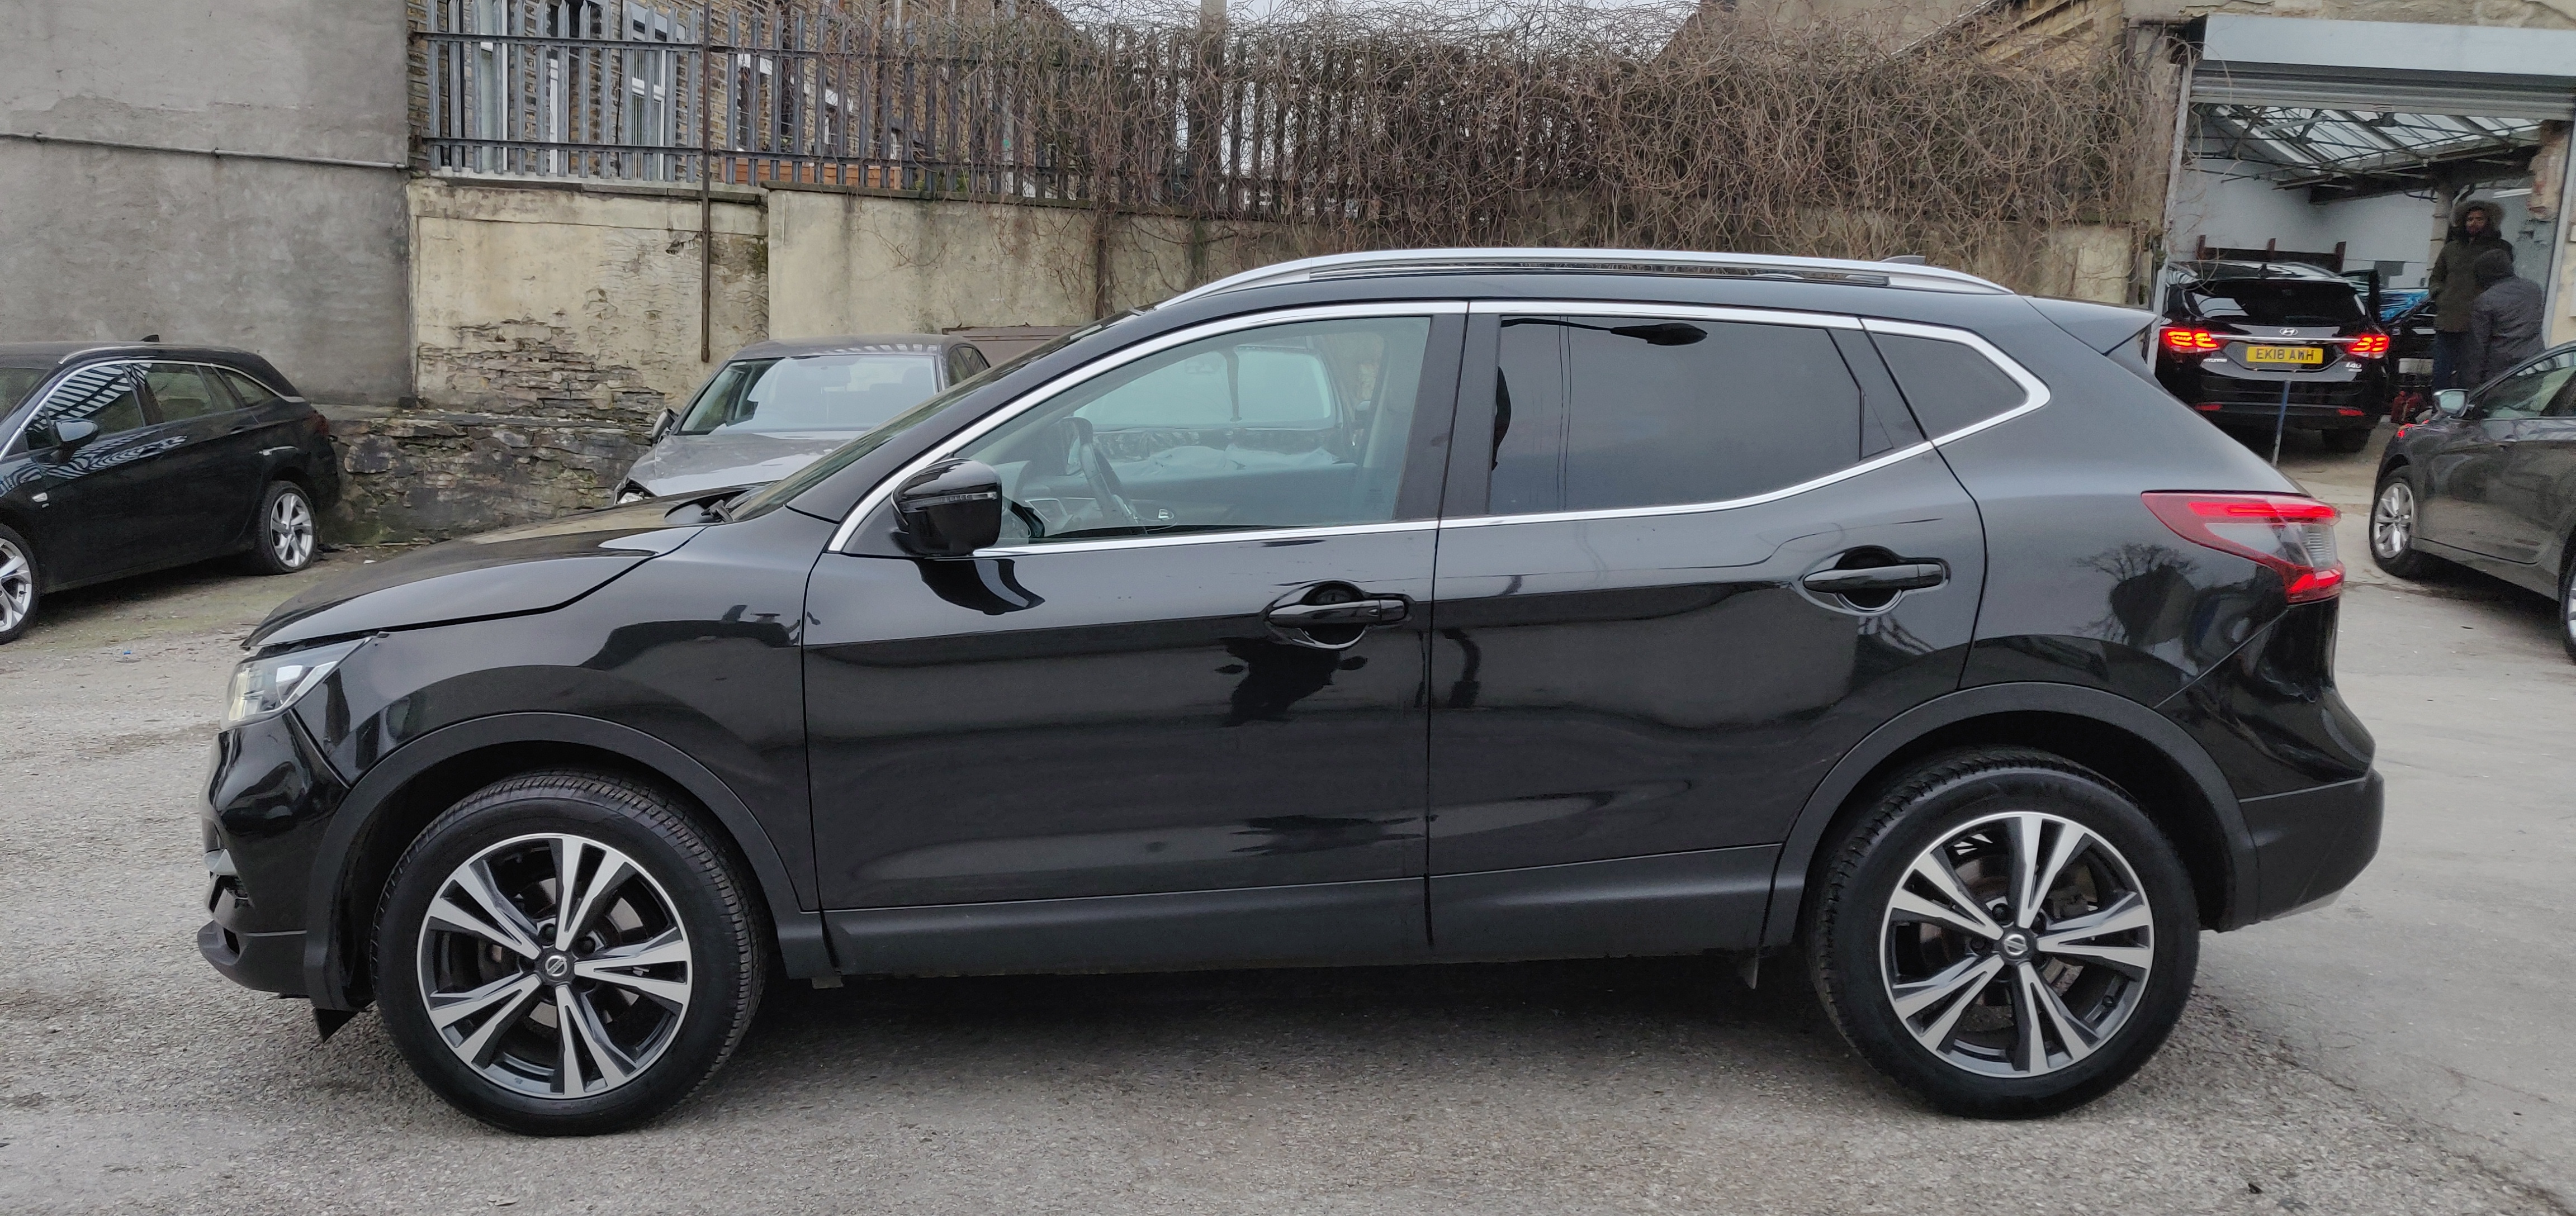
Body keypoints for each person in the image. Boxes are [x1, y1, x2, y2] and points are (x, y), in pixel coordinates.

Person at [2426, 200, 2511, 388]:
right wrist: (2440, 295)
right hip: (2447, 321)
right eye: (2469, 219)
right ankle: (2439, 413)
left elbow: (2505, 282)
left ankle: (2467, 412)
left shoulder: (2500, 249)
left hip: (2480, 323)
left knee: (2472, 374)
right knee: (2441, 373)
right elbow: (2436, 278)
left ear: (2489, 222)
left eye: (2479, 219)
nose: (2473, 223)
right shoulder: (2450, 249)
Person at [2461, 248, 2546, 391]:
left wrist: (2469, 388)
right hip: (2534, 365)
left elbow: (2477, 348)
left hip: (2500, 374)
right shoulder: (2534, 289)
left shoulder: (2486, 300)